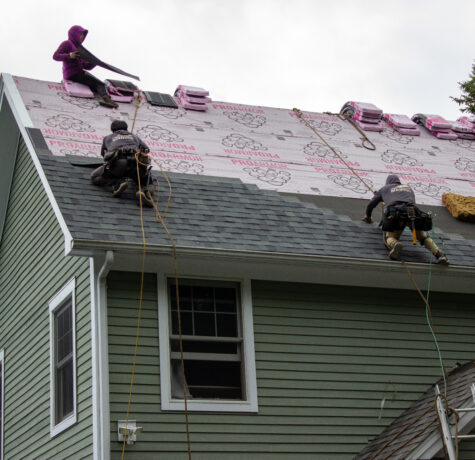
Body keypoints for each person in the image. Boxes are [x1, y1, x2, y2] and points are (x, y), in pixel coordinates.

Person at [362, 175, 449, 264]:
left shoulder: (384, 189)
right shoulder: (408, 188)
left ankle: (395, 244)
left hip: (396, 213)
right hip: (413, 213)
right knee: (423, 237)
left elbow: (371, 205)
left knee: (389, 237)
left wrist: (368, 216)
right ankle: (440, 255)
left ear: (388, 182)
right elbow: (402, 198)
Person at [91, 120, 154, 207]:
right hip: (138, 164)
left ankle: (118, 183)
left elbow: (103, 154)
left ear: (112, 130)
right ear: (126, 128)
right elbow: (146, 149)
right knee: (148, 181)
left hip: (120, 164)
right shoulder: (135, 136)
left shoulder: (108, 138)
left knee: (95, 176)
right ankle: (144, 191)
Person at [53, 25, 118, 109]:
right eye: (81, 35)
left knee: (96, 86)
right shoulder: (67, 43)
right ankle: (106, 99)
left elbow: (85, 66)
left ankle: (104, 97)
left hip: (79, 73)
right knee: (100, 84)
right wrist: (69, 56)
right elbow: (55, 56)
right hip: (73, 73)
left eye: (83, 36)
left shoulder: (80, 49)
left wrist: (94, 62)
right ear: (75, 34)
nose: (82, 37)